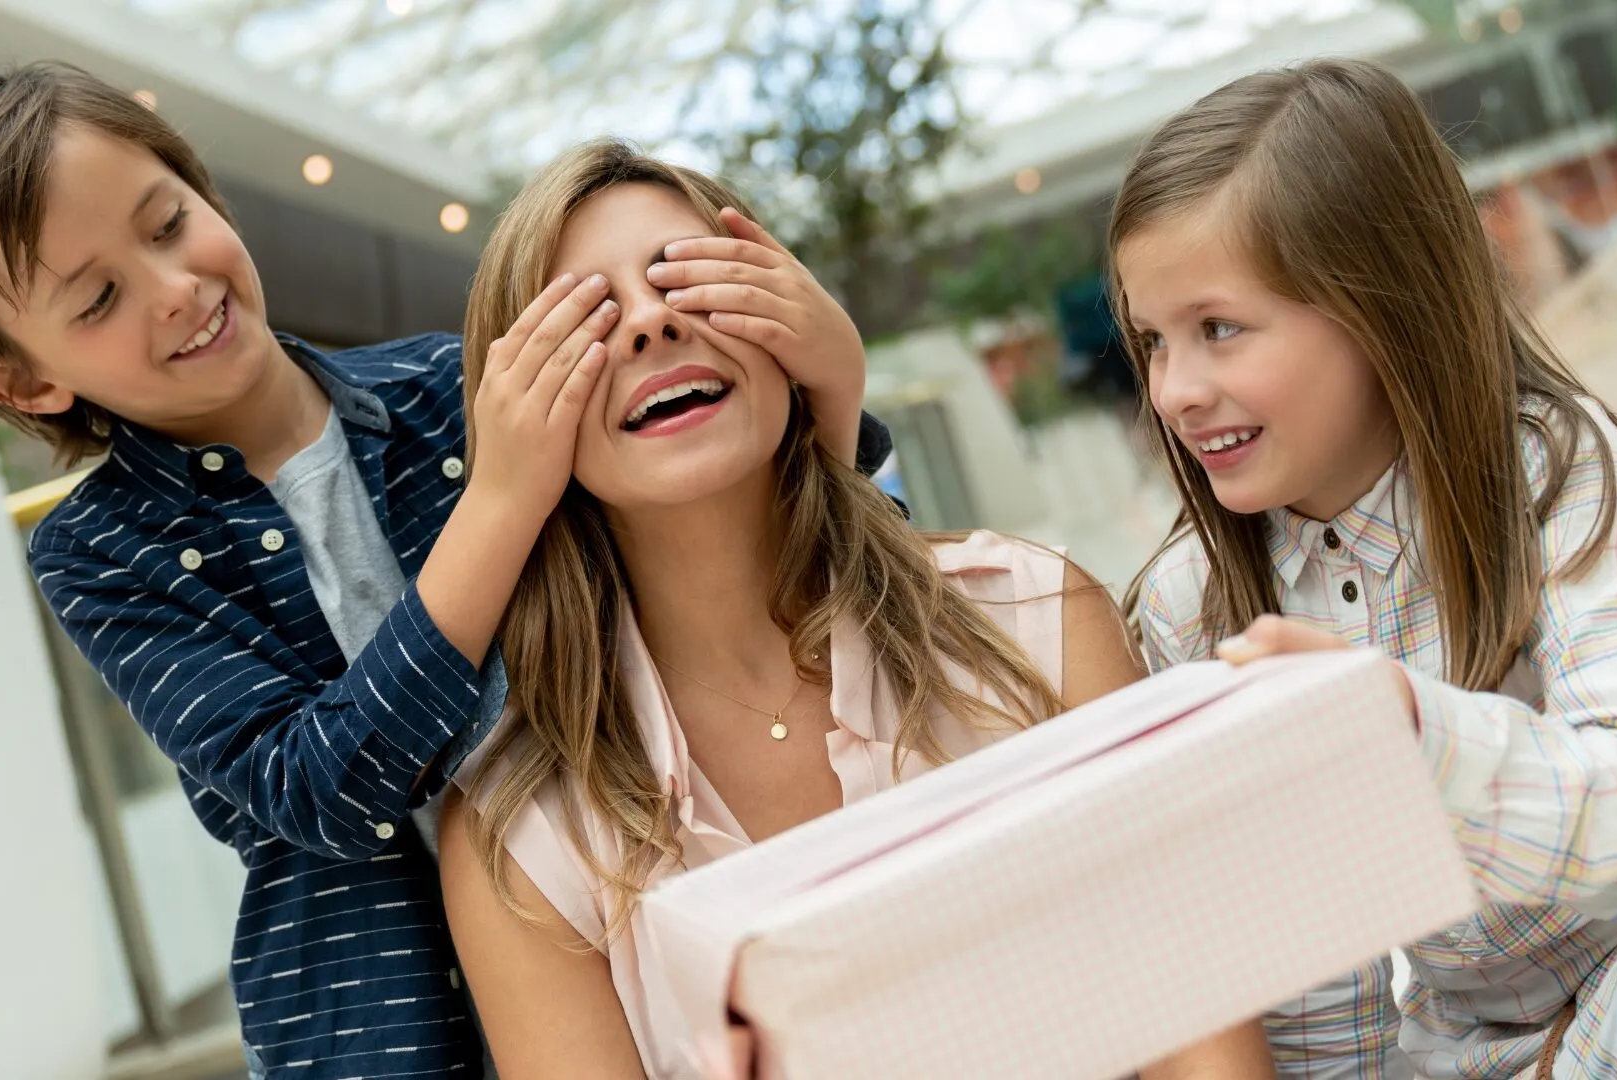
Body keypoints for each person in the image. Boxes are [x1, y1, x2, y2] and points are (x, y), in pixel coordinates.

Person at [0, 64, 888, 1078]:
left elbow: (725, 567)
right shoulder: (99, 554)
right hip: (379, 1035)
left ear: (203, 188)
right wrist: (501, 502)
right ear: (23, 380)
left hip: (631, 965)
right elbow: (325, 790)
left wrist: (831, 388)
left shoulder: (451, 383)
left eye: (166, 224)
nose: (173, 289)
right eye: (96, 299)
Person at [432, 138, 1277, 1080]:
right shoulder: (525, 840)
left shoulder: (1034, 618)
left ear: (790, 328)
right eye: (584, 315)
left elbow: (1201, 1033)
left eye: (686, 280)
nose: (647, 326)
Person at [1113, 58, 1617, 1080]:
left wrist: (1410, 730)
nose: (1176, 391)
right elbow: (1315, 996)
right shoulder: (1198, 602)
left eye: (1220, 329)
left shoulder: (1547, 469)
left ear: (1378, 305)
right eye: (1153, 340)